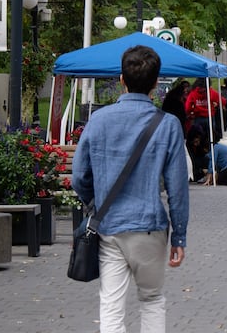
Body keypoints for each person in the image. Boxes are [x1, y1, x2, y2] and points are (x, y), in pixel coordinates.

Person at [71, 45, 188, 333]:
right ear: (156, 83)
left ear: (121, 79)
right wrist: (180, 236)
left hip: (110, 227)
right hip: (150, 226)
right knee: (151, 299)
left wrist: (95, 201)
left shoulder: (98, 120)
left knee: (110, 304)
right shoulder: (168, 125)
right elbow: (177, 188)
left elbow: (78, 176)